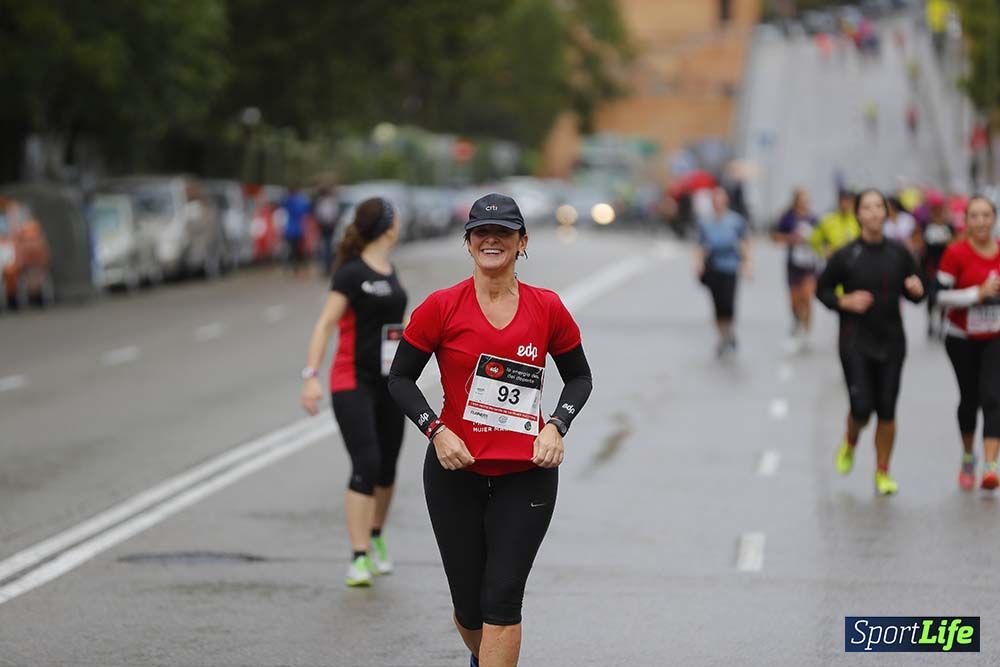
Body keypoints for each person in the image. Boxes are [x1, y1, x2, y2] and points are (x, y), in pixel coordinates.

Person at [387, 193, 593, 667]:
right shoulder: (441, 307)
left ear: (522, 241)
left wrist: (557, 426)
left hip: (527, 473)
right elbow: (399, 379)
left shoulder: (547, 307)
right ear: (469, 243)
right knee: (470, 608)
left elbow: (580, 377)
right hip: (455, 472)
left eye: (503, 232)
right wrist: (436, 431)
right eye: (482, 232)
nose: (492, 240)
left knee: (502, 601)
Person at [300, 197, 408, 587]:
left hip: (389, 382)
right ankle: (358, 556)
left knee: (388, 468)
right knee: (366, 462)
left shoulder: (390, 269)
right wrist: (310, 375)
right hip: (352, 381)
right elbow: (325, 324)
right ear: (388, 225)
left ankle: (376, 536)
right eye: (398, 217)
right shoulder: (350, 273)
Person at [817, 189, 925, 496]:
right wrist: (844, 301)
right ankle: (850, 442)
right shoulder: (847, 254)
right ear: (859, 214)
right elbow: (822, 291)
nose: (875, 212)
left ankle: (882, 471)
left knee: (887, 410)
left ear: (886, 213)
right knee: (862, 408)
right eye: (868, 207)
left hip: (892, 340)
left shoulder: (899, 253)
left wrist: (917, 289)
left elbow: (917, 290)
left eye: (880, 207)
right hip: (855, 341)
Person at [937, 196, 1000, 490]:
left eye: (986, 215)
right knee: (970, 399)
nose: (981, 222)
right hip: (961, 337)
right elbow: (939, 296)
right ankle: (967, 455)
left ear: (994, 218)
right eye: (975, 216)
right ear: (967, 221)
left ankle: (990, 466)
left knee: (993, 397)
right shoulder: (955, 253)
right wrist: (977, 294)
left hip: (995, 336)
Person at [695, 187, 751, 357]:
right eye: (715, 201)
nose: (718, 204)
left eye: (720, 201)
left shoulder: (735, 221)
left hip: (730, 265)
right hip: (713, 265)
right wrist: (698, 264)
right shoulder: (706, 222)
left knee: (728, 303)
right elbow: (701, 245)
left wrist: (746, 263)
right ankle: (722, 336)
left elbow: (744, 242)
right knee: (717, 304)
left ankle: (729, 331)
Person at [773, 188, 819, 344]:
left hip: (809, 264)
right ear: (796, 200)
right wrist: (791, 239)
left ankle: (807, 332)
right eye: (802, 199)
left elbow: (821, 238)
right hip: (793, 264)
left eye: (807, 199)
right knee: (794, 300)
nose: (805, 202)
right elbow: (775, 237)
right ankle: (796, 319)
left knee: (807, 297)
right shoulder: (788, 217)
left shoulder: (813, 219)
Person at [913, 189, 955, 337]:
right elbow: (917, 241)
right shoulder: (925, 225)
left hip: (945, 266)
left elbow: (956, 243)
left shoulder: (949, 226)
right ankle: (931, 322)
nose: (937, 211)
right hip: (929, 266)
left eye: (939, 207)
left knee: (943, 296)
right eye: (934, 208)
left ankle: (943, 322)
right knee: (931, 297)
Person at [811, 189, 860, 259]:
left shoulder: (858, 220)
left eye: (850, 201)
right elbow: (814, 241)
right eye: (844, 201)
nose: (847, 204)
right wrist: (823, 251)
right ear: (839, 202)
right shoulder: (827, 220)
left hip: (853, 262)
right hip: (833, 262)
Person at [282, 185, 312, 277]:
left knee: (292, 250)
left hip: (289, 229)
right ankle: (300, 268)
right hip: (299, 229)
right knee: (298, 250)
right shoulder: (301, 200)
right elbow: (308, 210)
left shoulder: (288, 200)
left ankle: (293, 268)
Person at [312, 183, 341, 276]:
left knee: (326, 247)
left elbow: (319, 215)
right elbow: (334, 214)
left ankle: (327, 267)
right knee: (328, 247)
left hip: (325, 226)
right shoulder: (331, 201)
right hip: (328, 226)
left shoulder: (322, 202)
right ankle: (328, 267)